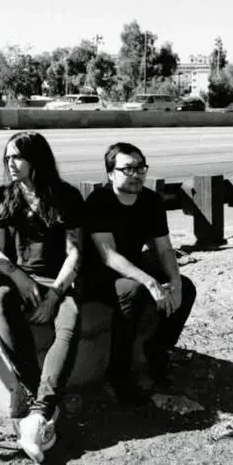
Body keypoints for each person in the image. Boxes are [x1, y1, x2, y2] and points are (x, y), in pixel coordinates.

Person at [0, 131, 84, 464]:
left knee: (70, 320)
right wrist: (19, 278)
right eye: (7, 157)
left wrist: (54, 295)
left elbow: (75, 253)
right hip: (17, 277)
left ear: (36, 159)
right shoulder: (3, 196)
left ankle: (41, 409)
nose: (10, 163)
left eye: (17, 157)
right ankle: (40, 397)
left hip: (57, 280)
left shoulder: (66, 196)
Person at [84, 142, 197, 403]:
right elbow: (107, 255)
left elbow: (164, 249)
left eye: (140, 168)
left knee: (187, 287)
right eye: (128, 169)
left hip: (131, 268)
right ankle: (118, 373)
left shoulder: (151, 200)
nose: (136, 174)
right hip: (97, 274)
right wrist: (149, 282)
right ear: (111, 173)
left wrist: (175, 282)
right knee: (134, 293)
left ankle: (158, 348)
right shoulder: (99, 201)